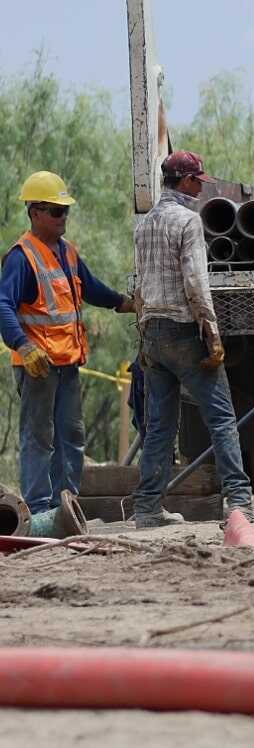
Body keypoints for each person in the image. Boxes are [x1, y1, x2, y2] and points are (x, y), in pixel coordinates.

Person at [0, 171, 136, 514]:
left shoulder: (67, 252)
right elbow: (3, 303)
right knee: (38, 439)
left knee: (71, 438)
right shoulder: (22, 256)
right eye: (56, 211)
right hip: (38, 368)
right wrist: (23, 345)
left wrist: (123, 301)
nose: (64, 218)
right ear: (34, 212)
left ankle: (66, 505)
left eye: (66, 211)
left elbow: (89, 287)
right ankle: (40, 508)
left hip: (67, 366)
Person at [131, 151, 252, 529]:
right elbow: (197, 282)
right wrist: (212, 334)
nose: (201, 187)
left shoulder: (145, 225)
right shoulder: (188, 221)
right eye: (198, 181)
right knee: (221, 419)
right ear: (184, 181)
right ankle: (239, 504)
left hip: (152, 333)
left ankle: (147, 509)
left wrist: (142, 332)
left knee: (160, 426)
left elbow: (138, 284)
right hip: (185, 330)